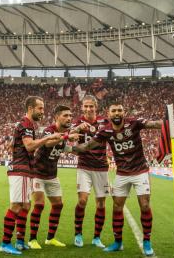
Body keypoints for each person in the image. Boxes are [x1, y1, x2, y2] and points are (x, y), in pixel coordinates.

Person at [65, 101, 174, 256]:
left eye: (120, 110)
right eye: (114, 111)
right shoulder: (105, 131)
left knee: (145, 205)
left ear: (124, 112)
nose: (117, 113)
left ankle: (147, 241)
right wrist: (66, 147)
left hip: (140, 171)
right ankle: (117, 242)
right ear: (109, 114)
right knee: (117, 207)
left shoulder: (133, 123)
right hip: (122, 174)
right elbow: (86, 147)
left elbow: (154, 124)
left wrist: (169, 125)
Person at [0, 96, 62, 255]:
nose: (42, 111)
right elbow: (29, 146)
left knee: (26, 206)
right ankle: (5, 243)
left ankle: (20, 241)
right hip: (20, 169)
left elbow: (15, 145)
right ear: (30, 108)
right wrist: (47, 137)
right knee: (16, 205)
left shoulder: (27, 125)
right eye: (40, 108)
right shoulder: (26, 124)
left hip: (26, 170)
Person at [28, 105, 79, 249]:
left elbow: (65, 146)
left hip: (52, 175)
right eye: (65, 115)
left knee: (58, 205)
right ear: (56, 117)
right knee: (39, 204)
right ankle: (32, 239)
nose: (69, 118)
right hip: (37, 173)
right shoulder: (49, 130)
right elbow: (49, 142)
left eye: (70, 115)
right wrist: (68, 136)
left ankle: (50, 238)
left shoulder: (67, 131)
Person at [70, 95, 110, 248]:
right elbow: (69, 138)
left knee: (101, 204)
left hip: (101, 167)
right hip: (84, 166)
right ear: (82, 107)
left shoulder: (104, 122)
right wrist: (77, 129)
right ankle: (78, 234)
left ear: (96, 106)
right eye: (85, 106)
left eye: (90, 106)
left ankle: (96, 237)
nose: (88, 109)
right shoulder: (77, 123)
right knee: (82, 200)